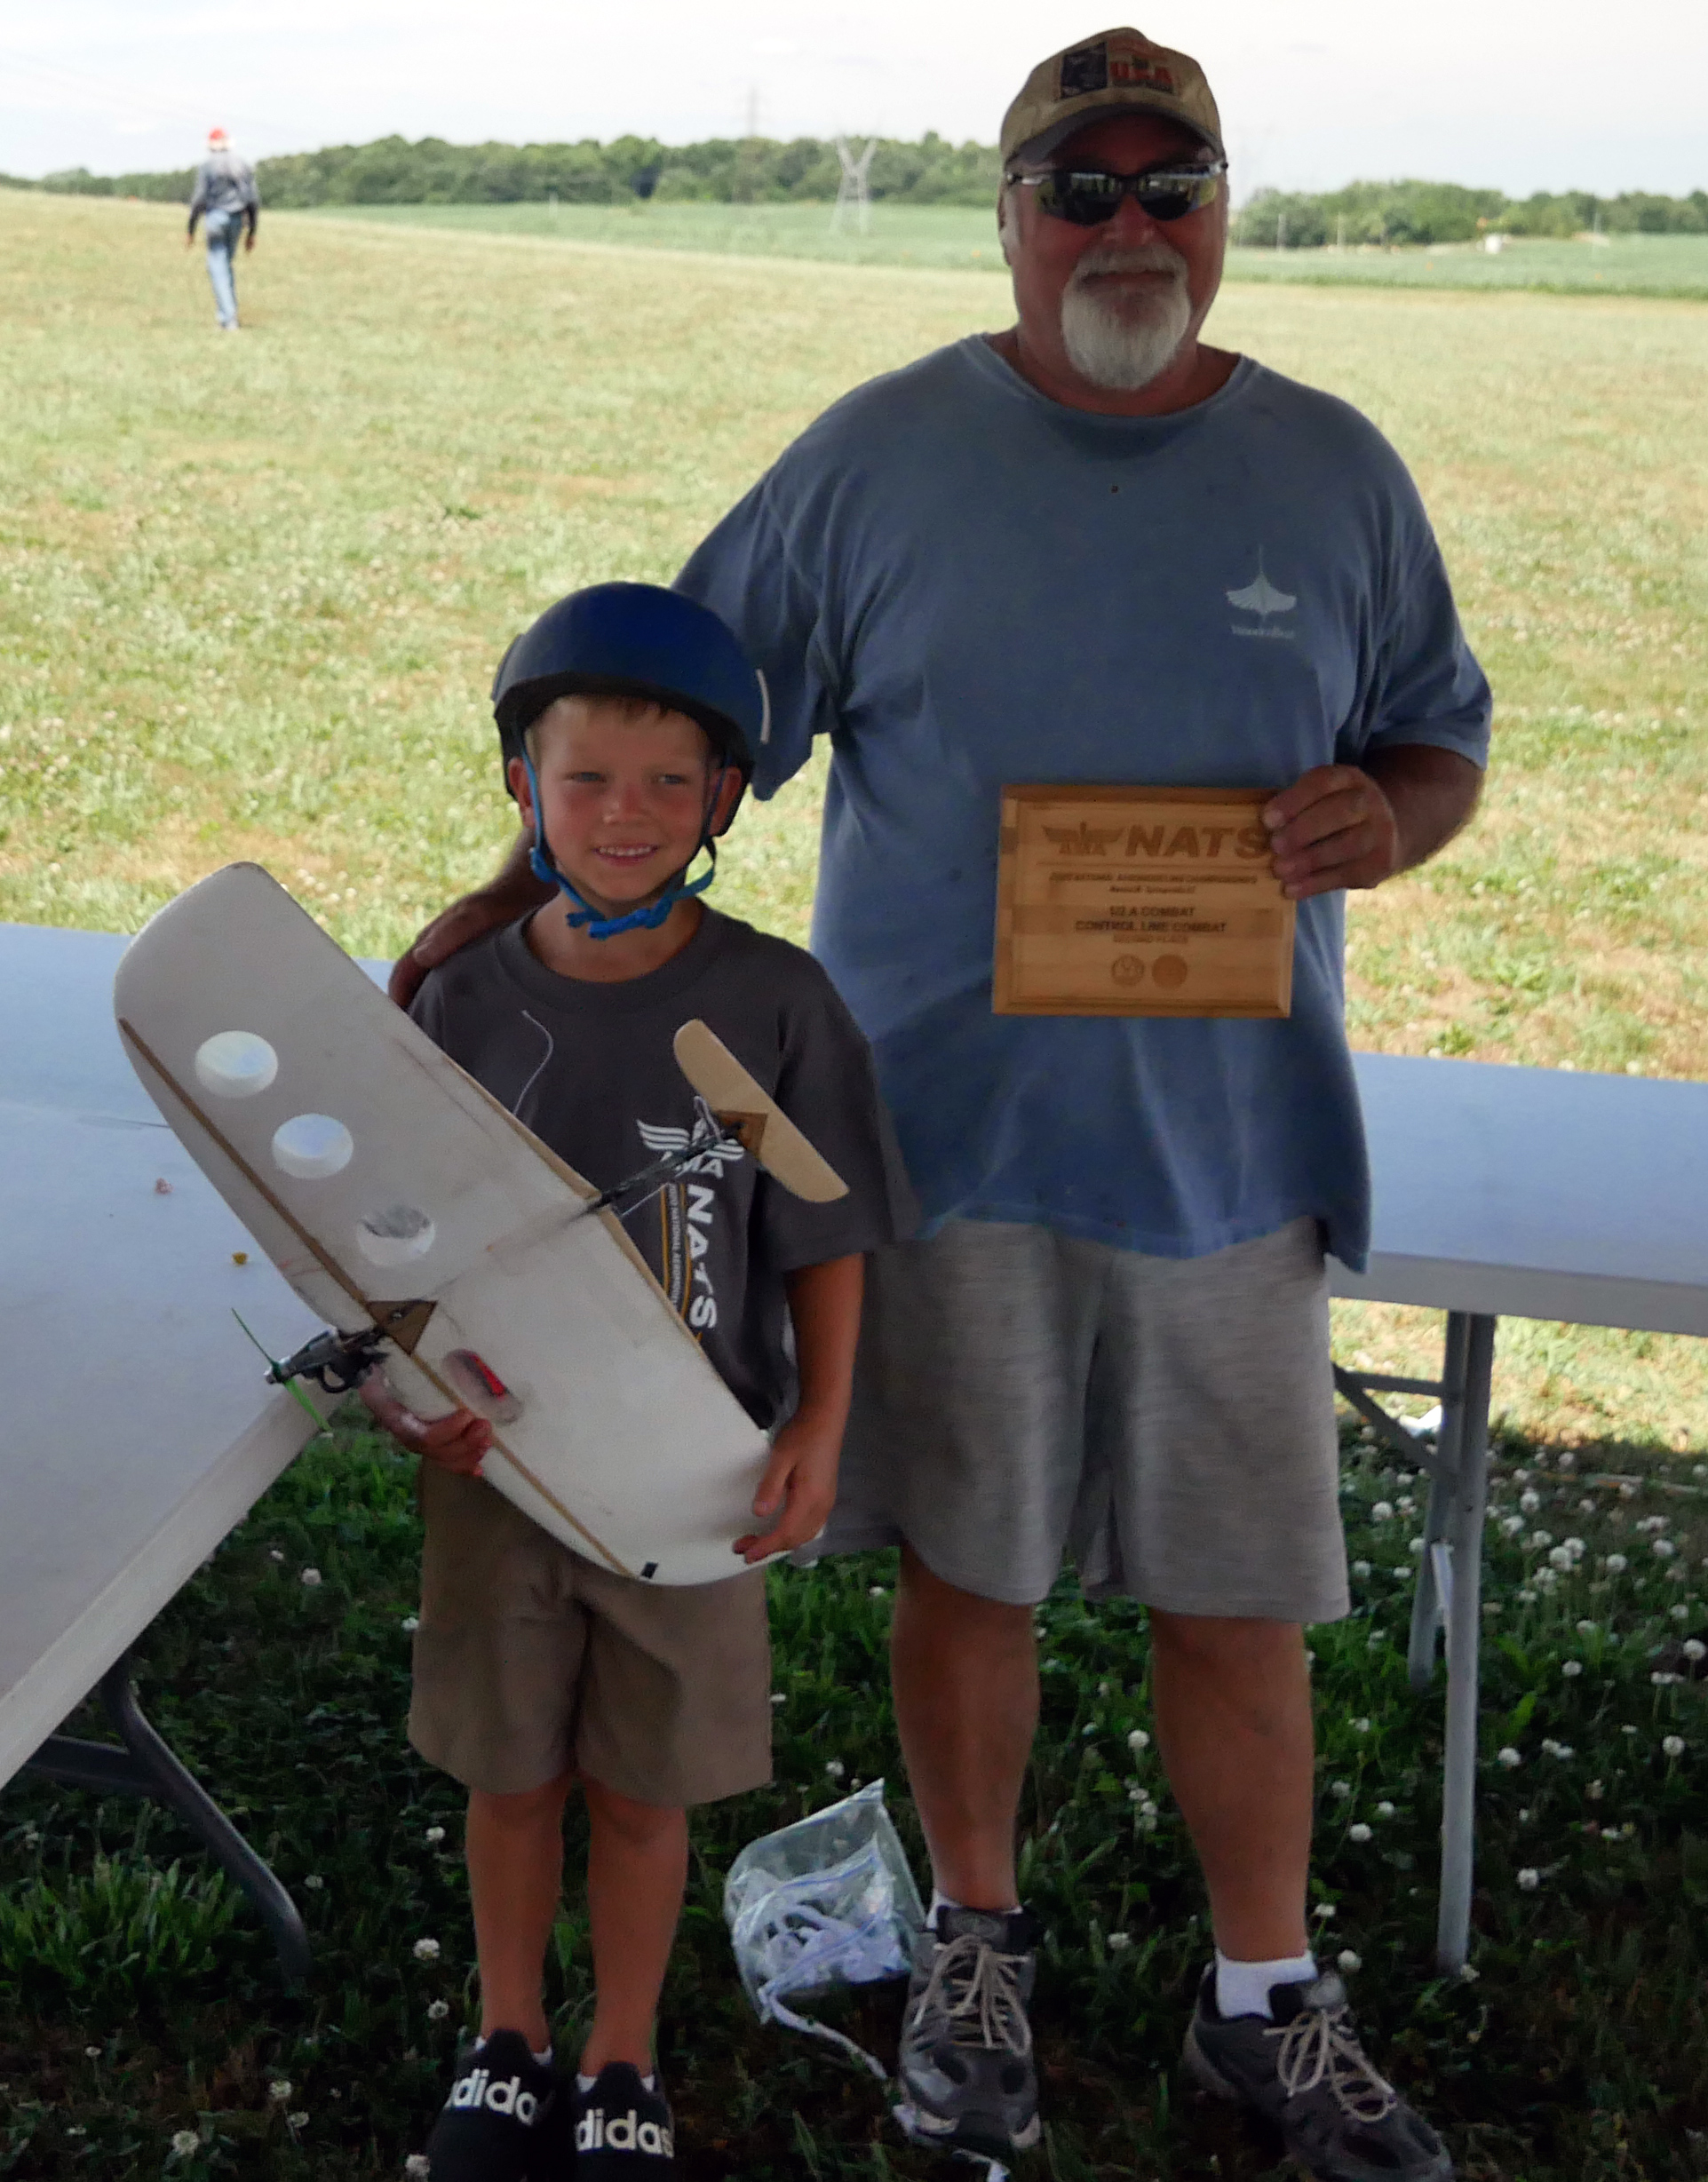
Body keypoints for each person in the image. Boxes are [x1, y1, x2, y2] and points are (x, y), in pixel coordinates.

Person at [390, 29, 1489, 2180]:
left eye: (1168, 184)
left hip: (1228, 1152)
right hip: (930, 1146)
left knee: (1234, 1596)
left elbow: (1432, 734)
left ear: (1220, 208)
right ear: (1005, 215)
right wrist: (513, 900)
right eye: (1077, 187)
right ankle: (973, 1946)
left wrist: (1393, 816)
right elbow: (668, 711)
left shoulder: (1335, 472)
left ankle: (1262, 1996)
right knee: (968, 1569)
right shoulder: (876, 458)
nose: (1124, 225)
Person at [366, 583, 910, 2179]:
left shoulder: (764, 1010)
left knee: (643, 1786)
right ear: (520, 785)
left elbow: (821, 1233)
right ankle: (505, 2038)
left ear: (724, 797)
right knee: (510, 1770)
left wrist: (819, 1421)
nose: (626, 813)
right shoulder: (464, 1002)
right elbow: (393, 1242)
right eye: (587, 777)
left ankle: (620, 2058)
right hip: (507, 1465)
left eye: (670, 782)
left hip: (692, 1475)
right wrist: (407, 1391)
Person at [186, 127, 258, 330]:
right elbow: (253, 199)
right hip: (237, 219)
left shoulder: (207, 166)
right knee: (226, 264)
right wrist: (252, 231)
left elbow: (199, 199)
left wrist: (191, 228)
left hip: (215, 217)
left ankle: (228, 318)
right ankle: (230, 313)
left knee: (218, 265)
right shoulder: (242, 164)